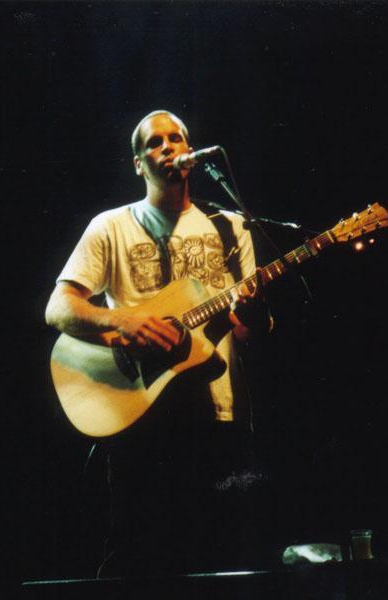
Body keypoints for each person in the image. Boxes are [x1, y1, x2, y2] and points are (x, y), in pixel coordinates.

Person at [44, 110, 272, 576]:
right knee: (140, 560)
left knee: (223, 559)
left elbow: (247, 333)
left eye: (177, 138)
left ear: (192, 152)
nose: (168, 147)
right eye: (154, 142)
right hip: (140, 414)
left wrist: (252, 315)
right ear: (138, 163)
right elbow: (58, 308)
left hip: (220, 414)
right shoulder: (111, 226)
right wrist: (122, 321)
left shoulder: (232, 227)